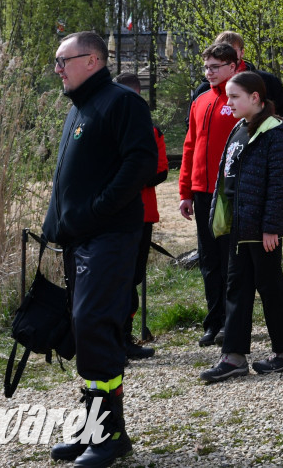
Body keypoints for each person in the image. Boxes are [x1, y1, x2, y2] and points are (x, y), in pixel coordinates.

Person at [43, 32, 157, 466]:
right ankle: (95, 429)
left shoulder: (120, 102)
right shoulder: (80, 107)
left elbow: (140, 163)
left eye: (63, 60)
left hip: (110, 236)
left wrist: (96, 210)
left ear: (92, 60)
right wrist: (57, 225)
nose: (57, 68)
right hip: (81, 238)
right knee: (83, 329)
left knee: (94, 323)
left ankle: (111, 436)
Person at [200, 71, 283, 382]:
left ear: (255, 98)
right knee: (236, 288)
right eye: (228, 97)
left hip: (261, 229)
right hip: (239, 226)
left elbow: (279, 184)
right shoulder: (239, 128)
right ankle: (233, 357)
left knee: (270, 288)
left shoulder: (275, 131)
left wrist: (272, 227)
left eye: (235, 97)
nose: (229, 102)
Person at [179, 43, 241, 347]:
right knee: (209, 260)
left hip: (229, 192)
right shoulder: (201, 100)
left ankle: (233, 321)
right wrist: (185, 192)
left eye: (215, 67)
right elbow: (190, 146)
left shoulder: (242, 98)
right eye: (206, 67)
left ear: (232, 66)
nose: (209, 73)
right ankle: (213, 321)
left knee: (231, 258)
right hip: (202, 191)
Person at [114, 73, 168, 361]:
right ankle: (109, 338)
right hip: (108, 215)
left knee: (132, 277)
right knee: (112, 277)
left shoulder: (152, 131)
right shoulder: (104, 125)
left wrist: (126, 180)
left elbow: (160, 171)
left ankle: (124, 337)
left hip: (142, 214)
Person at [188, 30, 283, 123]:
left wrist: (276, 135)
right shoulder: (204, 89)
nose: (226, 54)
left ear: (242, 52)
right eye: (220, 50)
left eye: (231, 50)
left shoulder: (265, 80)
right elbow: (191, 123)